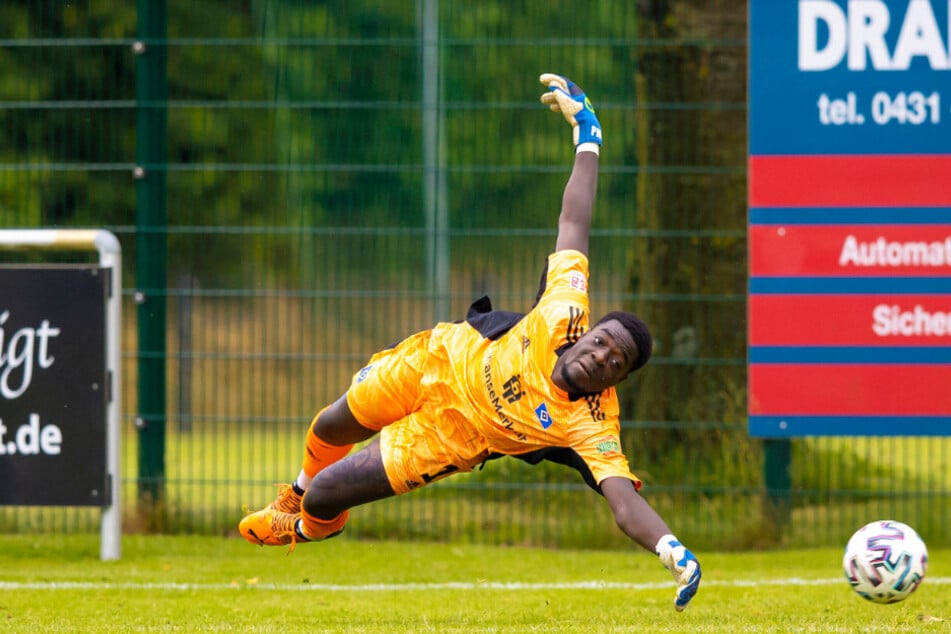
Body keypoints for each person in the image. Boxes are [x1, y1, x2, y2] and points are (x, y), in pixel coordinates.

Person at [239, 73, 701, 611]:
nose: (601, 355)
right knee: (330, 424)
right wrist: (588, 133)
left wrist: (672, 549)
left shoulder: (594, 425)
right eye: (602, 342)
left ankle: (309, 524)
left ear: (617, 381)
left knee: (327, 496)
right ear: (589, 332)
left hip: (448, 437)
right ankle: (289, 497)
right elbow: (574, 217)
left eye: (614, 362)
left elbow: (623, 504)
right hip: (438, 357)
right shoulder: (564, 309)